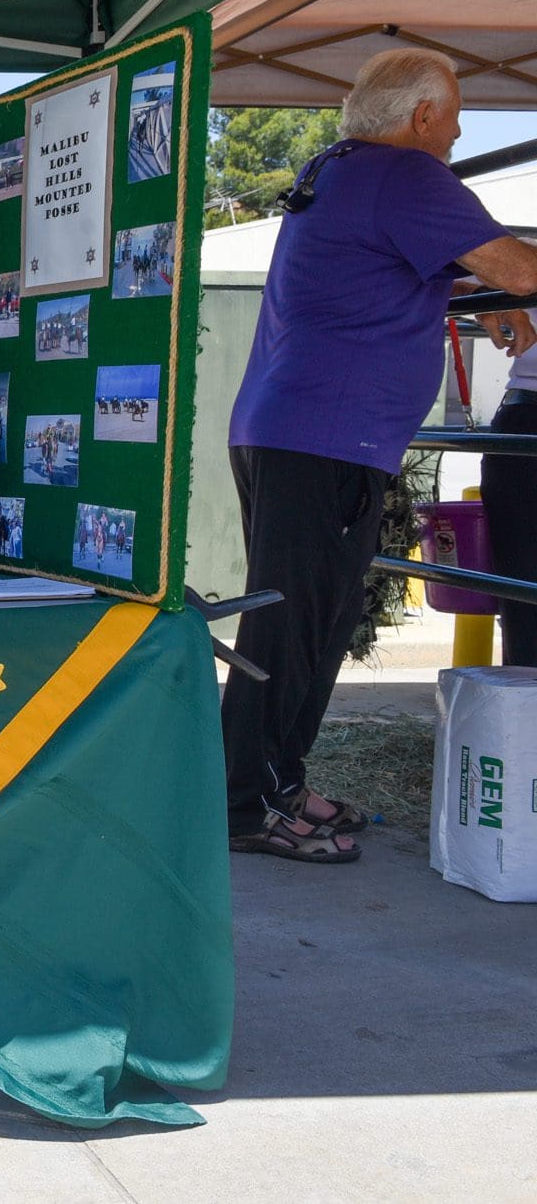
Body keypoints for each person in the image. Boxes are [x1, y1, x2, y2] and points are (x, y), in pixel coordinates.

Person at [222, 47, 537, 864]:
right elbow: (519, 265)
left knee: (314, 622)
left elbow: (377, 269)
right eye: (457, 121)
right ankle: (242, 807)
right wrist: (499, 285)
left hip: (294, 428)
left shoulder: (341, 169)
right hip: (324, 436)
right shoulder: (407, 175)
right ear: (422, 116)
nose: (460, 136)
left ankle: (281, 785)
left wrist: (471, 296)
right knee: (292, 627)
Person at [482, 340, 537, 666]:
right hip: (526, 410)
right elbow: (458, 286)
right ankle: (524, 707)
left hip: (523, 413)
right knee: (521, 586)